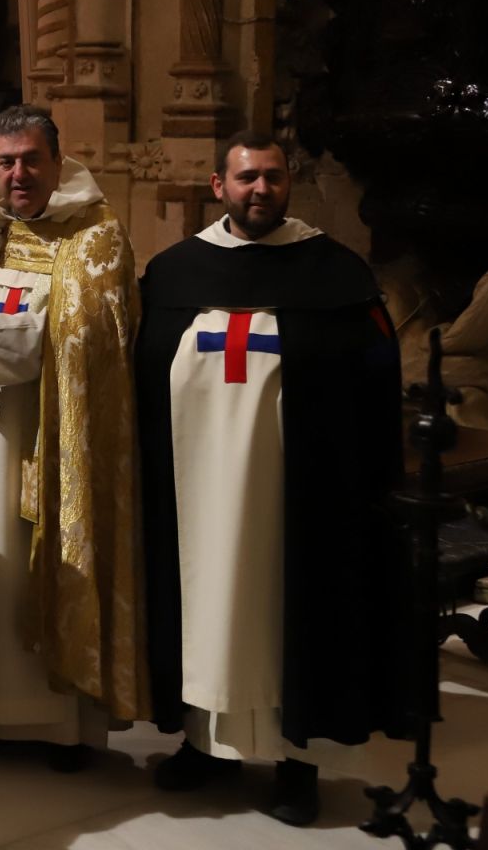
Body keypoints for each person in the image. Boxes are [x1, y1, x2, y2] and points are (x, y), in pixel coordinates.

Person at [136, 132, 402, 825]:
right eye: (247, 178)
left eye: (274, 179)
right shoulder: (173, 273)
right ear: (218, 187)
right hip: (193, 483)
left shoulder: (334, 274)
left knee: (291, 611)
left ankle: (297, 761)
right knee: (202, 604)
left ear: (290, 186)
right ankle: (202, 744)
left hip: (295, 491)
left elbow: (372, 383)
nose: (261, 190)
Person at [0, 103, 145, 768]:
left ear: (57, 161)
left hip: (55, 443)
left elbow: (94, 343)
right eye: (5, 162)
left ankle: (58, 726)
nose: (18, 174)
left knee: (45, 555)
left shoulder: (97, 238)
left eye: (30, 160)